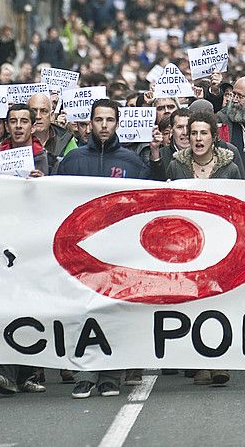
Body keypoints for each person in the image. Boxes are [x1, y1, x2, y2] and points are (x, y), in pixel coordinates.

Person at [54, 100, 150, 399]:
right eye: (99, 119)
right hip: (80, 251)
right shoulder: (72, 161)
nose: (104, 125)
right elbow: (55, 200)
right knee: (82, 312)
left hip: (118, 251)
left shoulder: (132, 163)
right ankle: (85, 374)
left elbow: (143, 203)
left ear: (118, 122)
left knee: (114, 311)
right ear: (90, 123)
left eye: (110, 119)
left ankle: (110, 375)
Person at [163, 111, 241, 182]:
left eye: (204, 133)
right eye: (194, 133)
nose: (198, 138)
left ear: (214, 137)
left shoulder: (230, 169)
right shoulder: (176, 166)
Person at [0, 104, 49, 177]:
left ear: (33, 127)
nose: (18, 126)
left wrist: (42, 182)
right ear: (7, 127)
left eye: (24, 121)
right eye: (13, 121)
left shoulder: (50, 161)